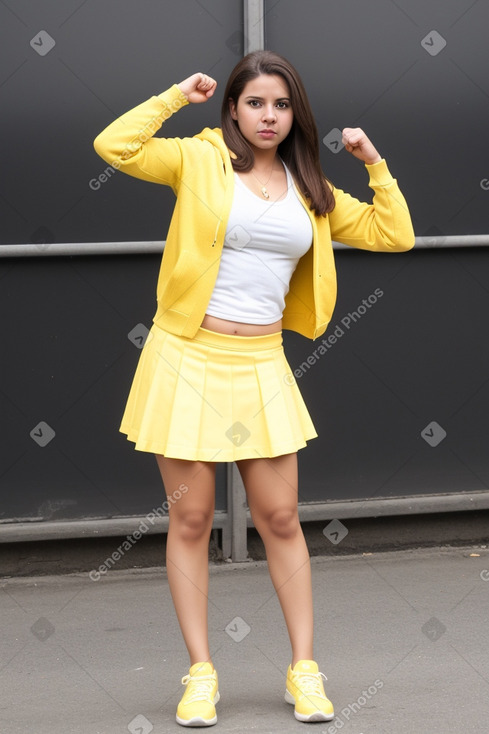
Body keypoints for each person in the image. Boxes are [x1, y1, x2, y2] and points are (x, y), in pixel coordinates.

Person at [93, 50, 414, 727]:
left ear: (295, 114)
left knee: (278, 520)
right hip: (185, 357)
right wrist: (176, 94)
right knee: (187, 519)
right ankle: (200, 674)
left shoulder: (312, 189)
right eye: (255, 103)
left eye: (281, 104)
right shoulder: (197, 159)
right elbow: (113, 145)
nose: (268, 116)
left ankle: (304, 671)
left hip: (261, 363)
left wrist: (373, 164)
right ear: (232, 109)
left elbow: (395, 233)